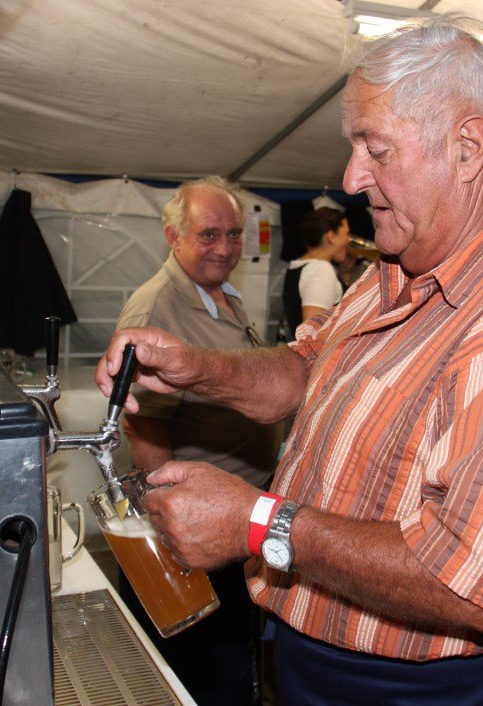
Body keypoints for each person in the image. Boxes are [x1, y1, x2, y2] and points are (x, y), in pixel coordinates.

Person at [96, 12, 483, 705]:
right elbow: (308, 371)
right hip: (326, 645)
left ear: (467, 149)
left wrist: (256, 523)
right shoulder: (402, 260)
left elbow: (482, 589)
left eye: (376, 149)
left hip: (436, 684)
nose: (352, 178)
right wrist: (198, 368)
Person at [113, 176, 279, 706]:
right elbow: (142, 424)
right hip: (194, 525)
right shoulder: (157, 307)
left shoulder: (222, 295)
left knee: (234, 659)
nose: (225, 248)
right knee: (203, 673)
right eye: (209, 235)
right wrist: (169, 530)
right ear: (173, 236)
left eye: (234, 234)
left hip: (233, 513)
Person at [282, 207, 351, 338]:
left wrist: (344, 273)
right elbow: (312, 335)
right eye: (346, 234)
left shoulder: (299, 266)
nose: (348, 240)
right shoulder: (320, 269)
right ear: (331, 236)